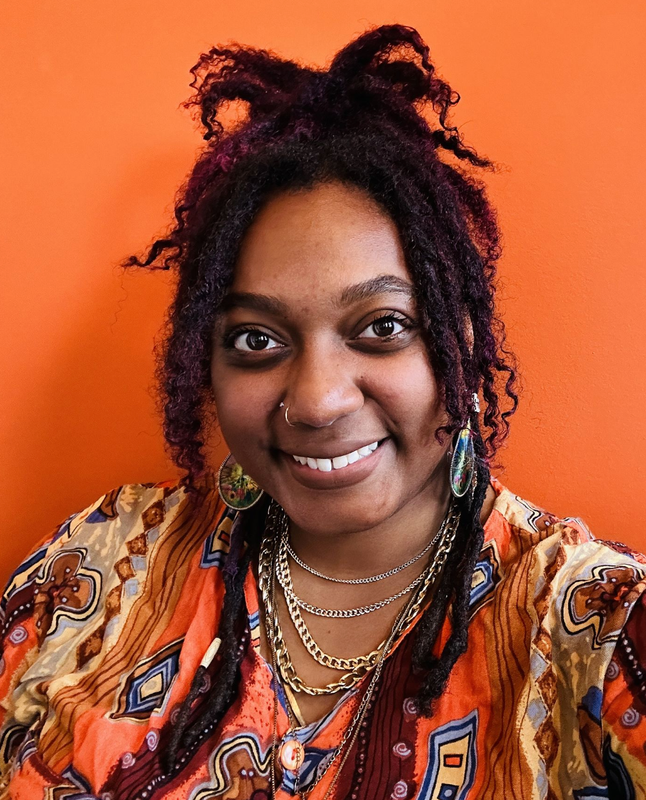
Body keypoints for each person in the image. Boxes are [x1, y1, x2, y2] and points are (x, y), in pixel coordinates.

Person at [1, 23, 645, 800]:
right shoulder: (101, 566)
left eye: (382, 327)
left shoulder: (589, 626)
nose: (317, 400)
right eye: (256, 338)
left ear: (460, 339)